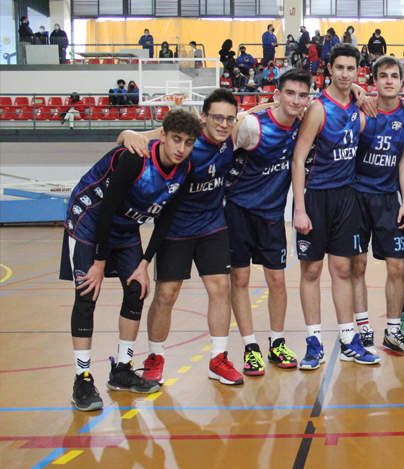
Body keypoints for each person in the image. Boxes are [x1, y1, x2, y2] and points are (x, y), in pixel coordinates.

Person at [64, 109, 201, 411]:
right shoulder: (135, 157)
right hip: (90, 219)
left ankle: (122, 370)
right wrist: (99, 263)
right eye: (176, 140)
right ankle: (82, 378)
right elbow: (108, 208)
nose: (181, 148)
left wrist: (144, 263)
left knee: (137, 289)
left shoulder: (184, 168)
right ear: (162, 136)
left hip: (126, 226)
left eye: (188, 143)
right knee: (87, 292)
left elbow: (165, 220)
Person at [117, 89, 244, 386]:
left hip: (213, 224)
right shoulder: (187, 142)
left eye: (229, 118)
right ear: (203, 119)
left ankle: (218, 358)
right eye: (217, 118)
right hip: (175, 228)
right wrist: (126, 131)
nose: (224, 124)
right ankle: (155, 356)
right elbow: (145, 135)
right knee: (166, 294)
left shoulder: (233, 133)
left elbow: (265, 109)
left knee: (220, 288)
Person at [291, 44, 379, 368]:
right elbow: (299, 158)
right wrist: (299, 208)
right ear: (329, 69)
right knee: (312, 270)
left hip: (346, 196)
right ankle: (313, 341)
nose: (344, 74)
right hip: (316, 196)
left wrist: (359, 93)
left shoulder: (359, 106)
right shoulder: (318, 108)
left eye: (350, 69)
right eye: (339, 68)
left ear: (358, 71)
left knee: (342, 269)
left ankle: (347, 339)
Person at [226, 70, 313, 375]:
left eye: (303, 95)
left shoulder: (303, 124)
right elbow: (214, 138)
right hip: (237, 212)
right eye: (290, 93)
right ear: (277, 95)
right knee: (240, 280)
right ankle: (250, 346)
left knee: (277, 280)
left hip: (273, 215)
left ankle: (276, 342)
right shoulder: (251, 126)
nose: (296, 100)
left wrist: (355, 85)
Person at [351, 56, 404, 354]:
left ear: (401, 83)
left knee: (397, 265)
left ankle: (393, 331)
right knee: (358, 264)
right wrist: (355, 89)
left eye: (394, 76)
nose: (389, 80)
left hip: (387, 198)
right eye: (383, 76)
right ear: (375, 81)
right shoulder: (362, 109)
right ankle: (363, 329)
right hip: (355, 196)